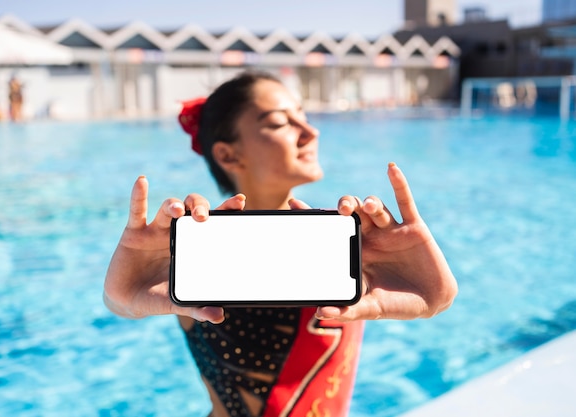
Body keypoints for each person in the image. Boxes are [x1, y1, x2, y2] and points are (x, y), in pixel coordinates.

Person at [103, 71, 458, 417]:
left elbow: (433, 298)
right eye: (280, 122)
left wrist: (434, 293)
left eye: (303, 116)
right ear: (228, 155)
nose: (310, 132)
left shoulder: (347, 242)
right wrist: (124, 294)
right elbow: (125, 301)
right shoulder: (202, 255)